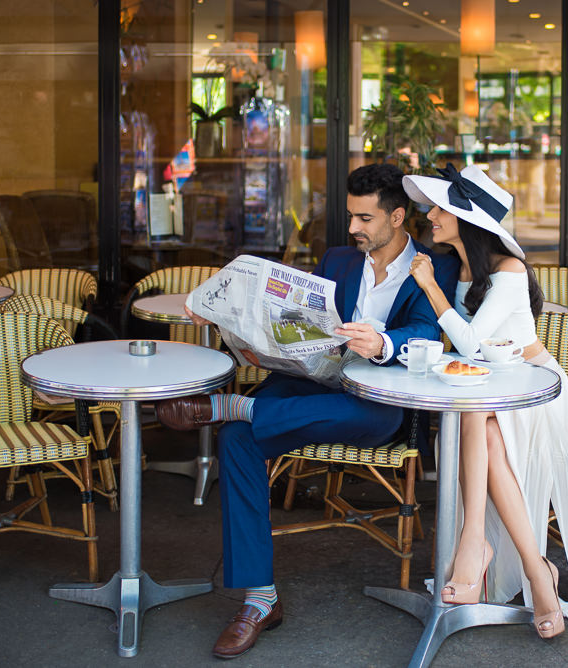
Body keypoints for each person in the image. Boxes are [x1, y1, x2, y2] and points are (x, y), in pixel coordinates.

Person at [154, 163, 460, 659]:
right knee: (237, 442)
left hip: (374, 398)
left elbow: (428, 329)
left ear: (398, 216)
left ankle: (233, 406)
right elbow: (299, 320)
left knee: (378, 417)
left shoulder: (435, 265)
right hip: (309, 380)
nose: (353, 228)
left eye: (364, 218)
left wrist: (381, 340)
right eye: (350, 216)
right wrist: (249, 335)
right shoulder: (338, 258)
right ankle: (259, 599)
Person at [403, 163, 568, 637]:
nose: (430, 215)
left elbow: (473, 344)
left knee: (477, 413)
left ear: (468, 220)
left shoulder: (510, 270)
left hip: (533, 390)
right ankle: (537, 570)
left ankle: (475, 548)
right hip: (487, 390)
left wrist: (431, 289)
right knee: (480, 417)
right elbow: (465, 354)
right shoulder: (461, 266)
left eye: (441, 207)